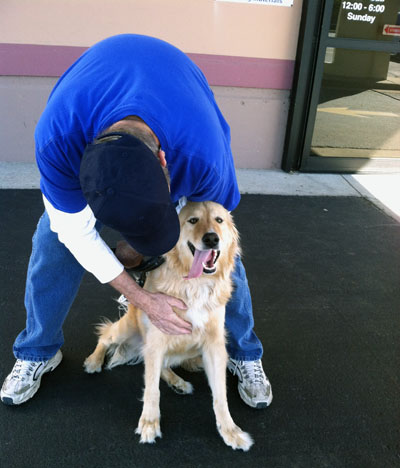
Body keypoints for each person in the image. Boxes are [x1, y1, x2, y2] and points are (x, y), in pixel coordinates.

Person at [0, 34, 272, 409]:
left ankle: (245, 352)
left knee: (216, 252)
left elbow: (219, 233)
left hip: (178, 92)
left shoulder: (202, 156)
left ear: (165, 163)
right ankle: (38, 349)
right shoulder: (58, 142)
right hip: (95, 99)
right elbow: (75, 233)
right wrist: (142, 297)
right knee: (52, 241)